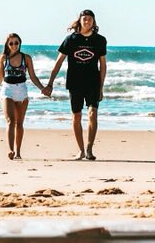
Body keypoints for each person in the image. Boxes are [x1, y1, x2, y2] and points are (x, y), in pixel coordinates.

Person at [43, 9, 107, 160]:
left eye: (90, 19)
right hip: (75, 82)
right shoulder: (71, 39)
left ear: (94, 22)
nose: (87, 21)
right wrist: (50, 83)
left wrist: (101, 87)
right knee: (76, 116)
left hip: (93, 82)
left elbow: (103, 65)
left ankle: (89, 149)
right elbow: (59, 62)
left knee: (93, 113)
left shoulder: (100, 40)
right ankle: (81, 150)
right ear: (80, 21)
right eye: (84, 19)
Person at [0, 33, 46, 160]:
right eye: (11, 43)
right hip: (7, 90)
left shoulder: (26, 58)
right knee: (10, 121)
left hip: (21, 91)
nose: (14, 45)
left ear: (20, 43)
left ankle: (18, 152)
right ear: (7, 44)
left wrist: (42, 88)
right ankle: (11, 150)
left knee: (19, 123)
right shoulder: (3, 58)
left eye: (16, 43)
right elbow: (0, 76)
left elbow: (33, 76)